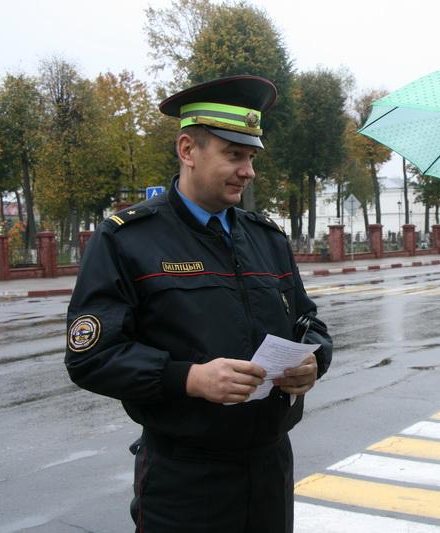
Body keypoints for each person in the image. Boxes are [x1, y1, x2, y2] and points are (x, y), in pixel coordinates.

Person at [65, 74, 332, 533]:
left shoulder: (266, 238)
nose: (248, 171)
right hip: (185, 480)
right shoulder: (129, 239)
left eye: (250, 157)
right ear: (188, 150)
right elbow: (92, 356)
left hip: (270, 468)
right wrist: (189, 378)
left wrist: (314, 360)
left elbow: (309, 324)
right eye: (234, 155)